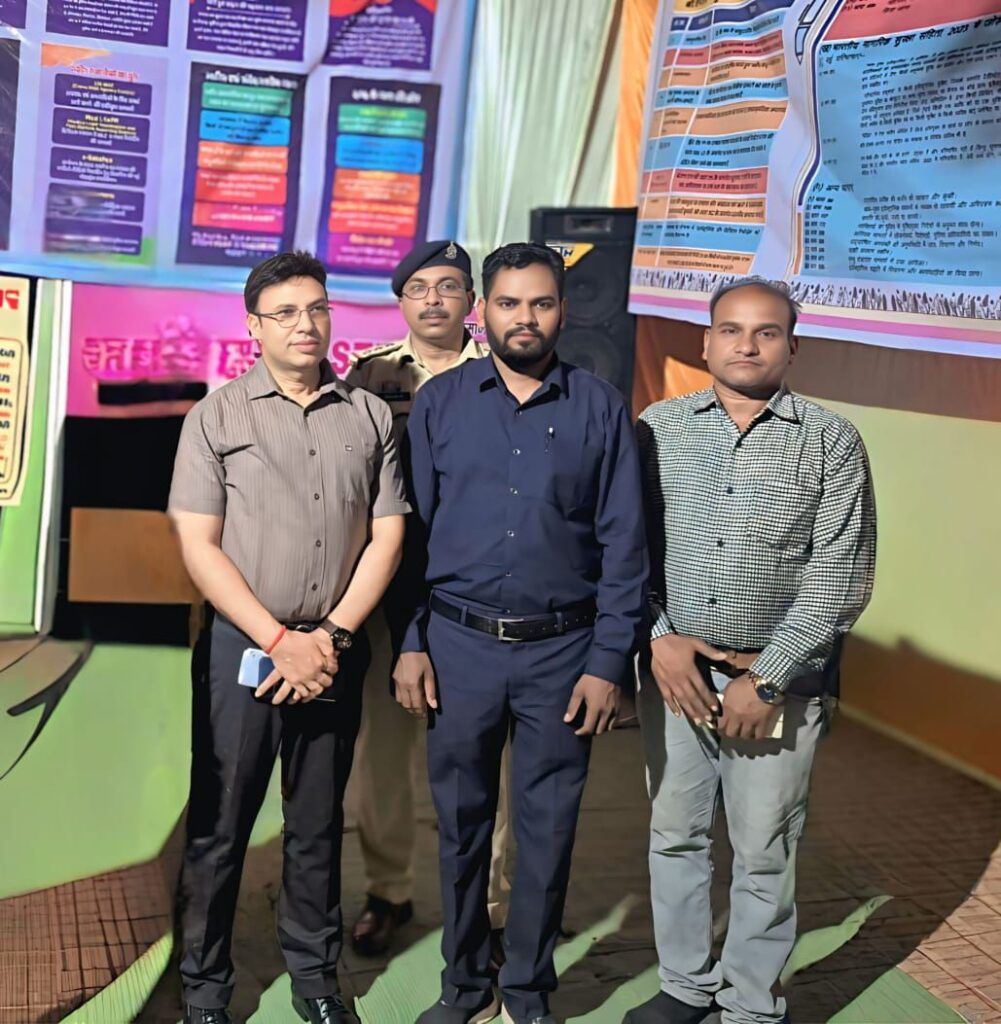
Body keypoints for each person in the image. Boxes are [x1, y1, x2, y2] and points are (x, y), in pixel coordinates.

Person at [396, 242, 648, 1024]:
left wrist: (608, 662)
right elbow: (411, 537)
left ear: (563, 311)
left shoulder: (600, 407)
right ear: (484, 311)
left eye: (540, 303)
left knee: (546, 830)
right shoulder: (439, 405)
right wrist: (411, 642)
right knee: (461, 827)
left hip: (563, 654)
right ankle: (463, 987)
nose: (524, 318)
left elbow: (625, 544)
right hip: (456, 647)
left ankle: (528, 991)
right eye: (508, 303)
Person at [625, 277, 876, 1024]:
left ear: (792, 347)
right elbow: (625, 549)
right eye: (730, 330)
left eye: (766, 332)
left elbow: (841, 575)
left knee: (764, 848)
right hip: (675, 676)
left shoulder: (830, 440)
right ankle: (684, 986)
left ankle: (750, 1006)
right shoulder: (657, 428)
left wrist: (766, 679)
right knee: (675, 836)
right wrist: (659, 640)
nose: (746, 344)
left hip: (777, 684)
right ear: (704, 343)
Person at [168, 250, 408, 1024]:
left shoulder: (368, 416)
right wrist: (278, 638)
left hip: (333, 650)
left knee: (316, 824)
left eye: (316, 308)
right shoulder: (217, 417)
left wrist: (329, 635)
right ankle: (205, 990)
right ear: (253, 327)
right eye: (285, 313)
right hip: (244, 648)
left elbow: (387, 535)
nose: (305, 325)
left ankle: (315, 981)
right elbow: (198, 543)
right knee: (221, 827)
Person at [345, 241, 512, 961]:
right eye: (419, 288)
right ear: (401, 301)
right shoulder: (370, 374)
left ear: (471, 300)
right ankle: (388, 891)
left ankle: (492, 907)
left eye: (448, 286)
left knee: (484, 757)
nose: (434, 299)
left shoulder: (503, 371)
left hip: (478, 589)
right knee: (384, 754)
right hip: (390, 587)